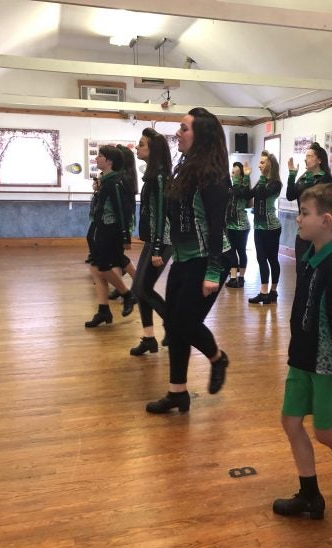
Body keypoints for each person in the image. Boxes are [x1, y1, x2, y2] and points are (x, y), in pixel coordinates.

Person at [273, 183, 332, 520]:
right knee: (291, 421)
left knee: (324, 430)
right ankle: (310, 495)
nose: (298, 219)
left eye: (304, 213)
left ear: (326, 220)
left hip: (326, 365)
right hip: (301, 358)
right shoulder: (310, 257)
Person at [145, 107, 230, 414]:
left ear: (201, 135)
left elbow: (218, 224)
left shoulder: (213, 176)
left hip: (207, 259)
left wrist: (213, 271)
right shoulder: (185, 169)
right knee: (174, 324)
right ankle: (177, 392)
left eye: (184, 128)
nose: (177, 133)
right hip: (183, 259)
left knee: (185, 323)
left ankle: (218, 358)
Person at [129, 128, 172, 356]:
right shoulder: (153, 174)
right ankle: (148, 338)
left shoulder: (160, 176)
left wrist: (156, 248)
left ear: (152, 150)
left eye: (141, 144)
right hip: (155, 239)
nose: (137, 147)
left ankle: (174, 327)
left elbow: (161, 213)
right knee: (140, 288)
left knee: (142, 288)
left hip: (162, 241)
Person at [84, 145, 136, 327]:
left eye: (100, 156)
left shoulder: (114, 182)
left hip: (110, 231)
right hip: (100, 230)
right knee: (95, 270)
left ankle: (127, 293)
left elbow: (121, 211)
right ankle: (103, 310)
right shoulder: (105, 181)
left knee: (104, 268)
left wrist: (125, 235)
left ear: (109, 161)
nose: (96, 158)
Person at [246, 151, 283, 304]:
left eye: (262, 163)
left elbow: (261, 194)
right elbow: (248, 195)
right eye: (259, 163)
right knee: (261, 258)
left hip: (272, 227)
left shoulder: (275, 184)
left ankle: (273, 291)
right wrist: (246, 177)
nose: (259, 165)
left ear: (270, 164)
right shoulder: (261, 182)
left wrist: (261, 179)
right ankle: (263, 292)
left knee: (272, 259)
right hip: (259, 227)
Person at [286, 142, 332, 262]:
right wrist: (292, 175)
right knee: (300, 268)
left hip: (317, 230)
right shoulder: (303, 177)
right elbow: (290, 196)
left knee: (314, 268)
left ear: (319, 160)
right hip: (302, 228)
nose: (306, 159)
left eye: (310, 156)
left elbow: (314, 199)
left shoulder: (325, 178)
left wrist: (310, 179)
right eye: (305, 156)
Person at [108, 144, 138, 298]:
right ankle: (119, 287)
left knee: (118, 256)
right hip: (122, 220)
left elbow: (124, 208)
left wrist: (125, 231)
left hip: (124, 221)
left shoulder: (123, 178)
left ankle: (138, 286)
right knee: (117, 256)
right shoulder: (121, 177)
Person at [225, 161, 250, 289]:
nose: (232, 175)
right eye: (232, 172)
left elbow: (243, 194)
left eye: (235, 173)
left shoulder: (242, 188)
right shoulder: (230, 187)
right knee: (231, 251)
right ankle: (233, 278)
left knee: (241, 251)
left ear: (240, 176)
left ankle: (241, 278)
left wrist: (245, 177)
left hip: (242, 225)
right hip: (230, 225)